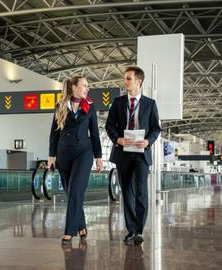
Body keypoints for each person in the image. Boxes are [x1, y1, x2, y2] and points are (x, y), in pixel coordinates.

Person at [105, 66, 161, 245]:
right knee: (127, 192)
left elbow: (155, 128)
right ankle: (131, 230)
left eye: (129, 79)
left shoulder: (150, 104)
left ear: (139, 81)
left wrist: (148, 141)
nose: (125, 82)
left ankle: (139, 230)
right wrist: (118, 139)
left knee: (140, 192)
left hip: (141, 153)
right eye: (125, 79)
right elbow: (109, 126)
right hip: (123, 152)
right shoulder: (118, 102)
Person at [48, 76, 103, 245]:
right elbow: (54, 132)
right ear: (74, 87)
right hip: (64, 153)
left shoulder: (90, 106)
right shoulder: (60, 106)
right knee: (72, 192)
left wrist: (98, 157)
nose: (87, 88)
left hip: (84, 152)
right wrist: (51, 156)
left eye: (87, 86)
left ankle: (69, 231)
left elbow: (94, 133)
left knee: (76, 189)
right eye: (84, 85)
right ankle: (82, 225)